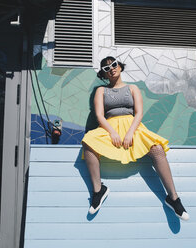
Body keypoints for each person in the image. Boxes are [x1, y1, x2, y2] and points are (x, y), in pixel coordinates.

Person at [81, 56, 190, 221]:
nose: (111, 68)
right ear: (104, 74)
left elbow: (139, 113)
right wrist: (112, 132)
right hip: (109, 127)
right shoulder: (101, 91)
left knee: (157, 150)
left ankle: (173, 198)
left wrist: (130, 132)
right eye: (106, 68)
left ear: (120, 66)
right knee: (88, 143)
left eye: (114, 64)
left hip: (133, 126)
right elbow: (99, 115)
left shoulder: (133, 88)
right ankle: (98, 190)